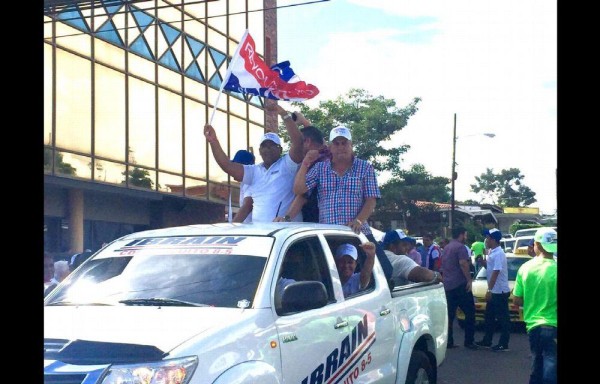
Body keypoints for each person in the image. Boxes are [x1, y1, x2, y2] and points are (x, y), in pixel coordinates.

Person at [293, 126, 394, 280]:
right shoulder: (320, 168)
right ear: (330, 147)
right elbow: (299, 190)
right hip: (330, 234)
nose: (341, 147)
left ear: (351, 145)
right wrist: (306, 163)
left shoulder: (365, 167)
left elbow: (371, 199)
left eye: (344, 143)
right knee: (325, 277)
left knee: (384, 271)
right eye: (337, 143)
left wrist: (359, 220)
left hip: (357, 232)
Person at [204, 105, 304, 223]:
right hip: (261, 234)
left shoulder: (287, 165)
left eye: (272, 145)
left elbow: (298, 143)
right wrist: (213, 141)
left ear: (280, 150)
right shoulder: (254, 171)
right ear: (259, 151)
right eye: (264, 146)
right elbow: (227, 166)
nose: (267, 149)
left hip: (284, 233)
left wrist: (284, 114)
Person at [512, 228, 557, 384]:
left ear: (537, 244)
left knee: (537, 364)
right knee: (551, 365)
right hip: (553, 326)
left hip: (533, 326)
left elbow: (516, 300)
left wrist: (531, 299)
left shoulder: (525, 268)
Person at [274, 123, 331, 223]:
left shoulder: (316, 163)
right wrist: (304, 122)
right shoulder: (330, 155)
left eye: (298, 143)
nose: (296, 147)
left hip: (318, 225)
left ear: (308, 141)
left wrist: (285, 219)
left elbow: (300, 193)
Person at [441, 226, 479, 350]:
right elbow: (463, 263)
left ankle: (449, 341)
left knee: (450, 315)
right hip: (460, 284)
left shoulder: (446, 247)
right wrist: (469, 279)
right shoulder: (460, 247)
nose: (466, 237)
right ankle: (469, 341)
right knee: (470, 312)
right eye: (465, 235)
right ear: (461, 235)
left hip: (448, 285)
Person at [475, 228, 511, 351]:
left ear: (493, 240)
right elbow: (490, 268)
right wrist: (482, 262)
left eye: (488, 238)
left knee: (503, 319)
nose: (486, 240)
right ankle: (487, 340)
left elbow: (496, 272)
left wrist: (489, 290)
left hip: (499, 291)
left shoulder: (499, 253)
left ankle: (503, 344)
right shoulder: (492, 252)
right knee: (489, 317)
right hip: (495, 290)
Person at [229, 149, 255, 223]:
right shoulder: (244, 183)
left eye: (235, 167)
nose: (232, 170)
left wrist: (232, 227)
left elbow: (248, 206)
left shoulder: (249, 182)